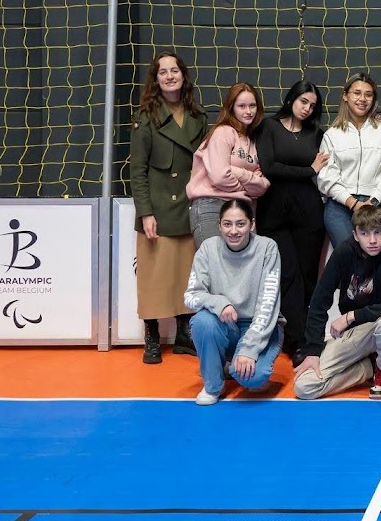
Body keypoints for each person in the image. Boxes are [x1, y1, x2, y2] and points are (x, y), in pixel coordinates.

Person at [129, 51, 207, 364]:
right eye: (163, 72)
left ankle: (184, 333)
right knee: (154, 276)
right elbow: (138, 171)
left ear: (183, 76)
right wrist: (145, 212)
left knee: (186, 274)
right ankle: (152, 336)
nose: (170, 76)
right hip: (159, 208)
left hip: (189, 205)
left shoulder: (198, 116)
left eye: (175, 70)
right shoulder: (145, 116)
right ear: (156, 79)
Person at [293, 203, 381, 400]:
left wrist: (351, 316)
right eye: (365, 234)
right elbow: (318, 302)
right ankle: (370, 368)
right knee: (305, 387)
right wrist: (313, 350)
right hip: (358, 332)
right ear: (355, 235)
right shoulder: (344, 252)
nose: (372, 240)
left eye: (378, 232)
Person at [255, 80, 329, 364]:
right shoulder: (269, 127)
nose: (307, 108)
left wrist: (309, 172)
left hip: (309, 212)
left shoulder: (316, 133)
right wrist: (308, 169)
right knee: (287, 275)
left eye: (312, 105)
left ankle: (307, 337)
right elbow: (270, 167)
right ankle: (296, 341)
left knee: (309, 275)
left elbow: (321, 172)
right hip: (273, 212)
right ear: (291, 99)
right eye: (303, 102)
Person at [184, 200, 284, 406]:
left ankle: (235, 366)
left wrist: (249, 349)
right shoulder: (208, 248)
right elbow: (191, 297)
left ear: (252, 224)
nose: (234, 231)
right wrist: (219, 303)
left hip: (259, 326)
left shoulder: (267, 248)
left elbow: (268, 305)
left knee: (253, 380)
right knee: (203, 321)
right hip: (226, 325)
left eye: (240, 224)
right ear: (219, 225)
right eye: (227, 224)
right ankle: (213, 385)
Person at [317, 73, 381, 250]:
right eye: (357, 93)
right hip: (340, 207)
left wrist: (373, 200)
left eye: (368, 94)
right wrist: (353, 202)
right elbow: (327, 176)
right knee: (349, 257)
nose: (362, 99)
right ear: (345, 96)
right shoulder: (332, 135)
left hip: (378, 204)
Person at [186, 82, 269, 250]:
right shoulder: (223, 132)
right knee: (214, 266)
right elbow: (219, 176)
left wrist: (237, 172)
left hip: (241, 210)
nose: (248, 111)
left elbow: (261, 187)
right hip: (211, 206)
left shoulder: (253, 140)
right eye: (242, 106)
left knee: (239, 272)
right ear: (231, 108)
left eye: (252, 105)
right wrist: (246, 183)